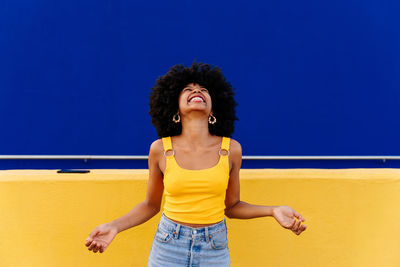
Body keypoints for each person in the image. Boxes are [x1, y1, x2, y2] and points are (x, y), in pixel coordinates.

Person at [84, 62, 307, 266]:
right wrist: (114, 226)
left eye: (204, 90)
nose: (197, 91)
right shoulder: (160, 149)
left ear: (214, 109)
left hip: (214, 248)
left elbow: (232, 206)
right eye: (188, 90)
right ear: (175, 107)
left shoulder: (231, 150)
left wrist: (273, 210)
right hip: (168, 245)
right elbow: (151, 205)